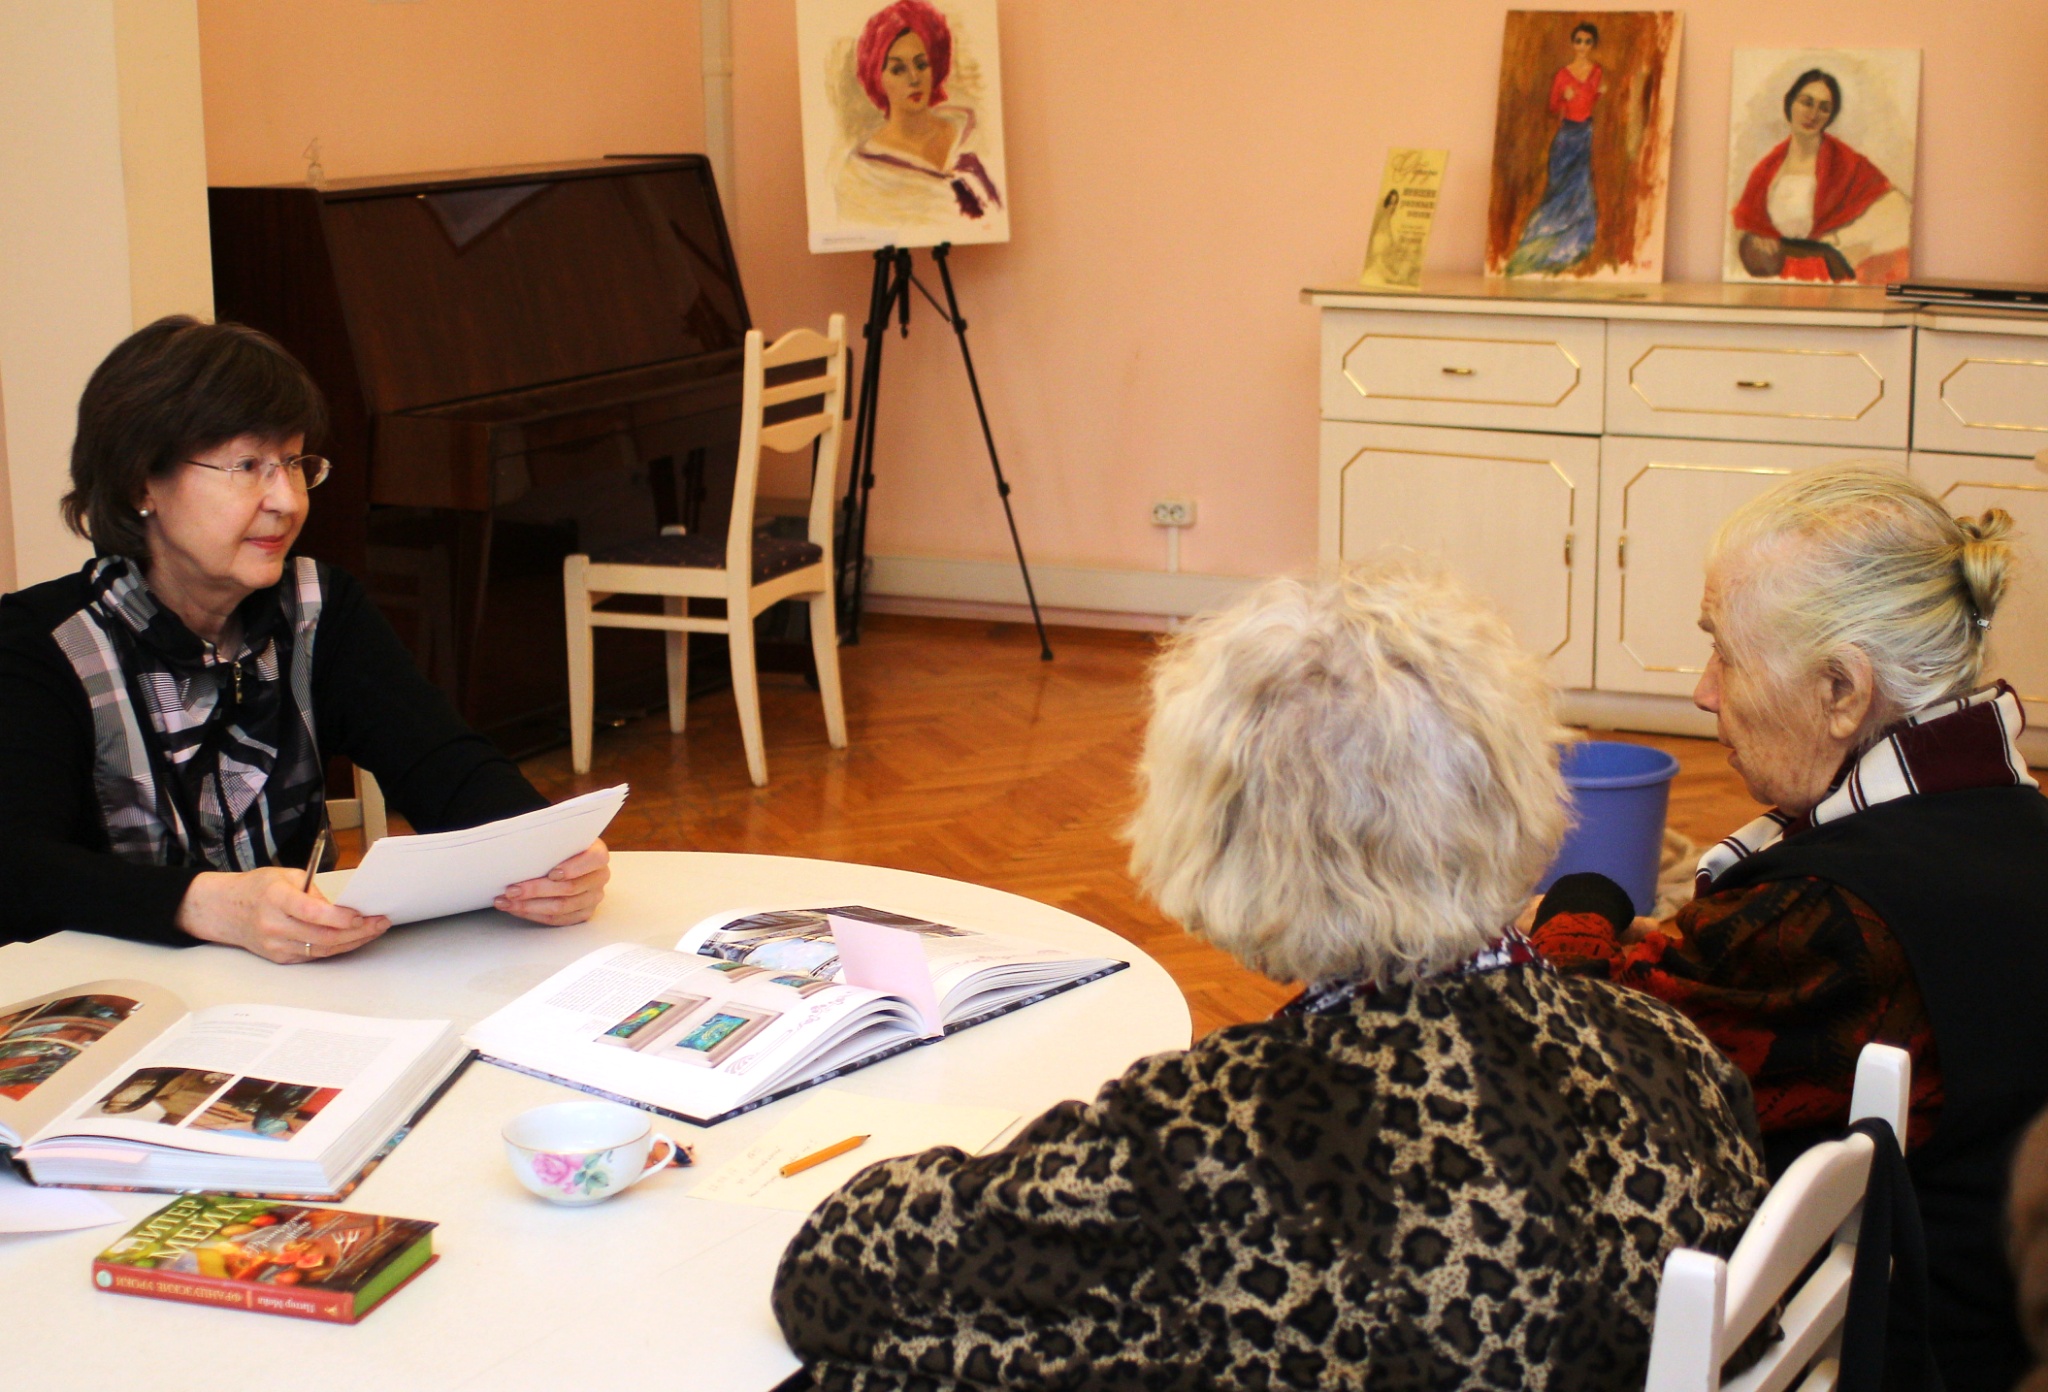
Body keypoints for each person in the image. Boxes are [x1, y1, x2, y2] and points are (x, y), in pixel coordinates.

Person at [772, 563, 1766, 1390]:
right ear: (1517, 788)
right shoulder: (1663, 1048)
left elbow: (833, 1276)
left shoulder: (1209, 1135)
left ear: (1216, 832)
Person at [1529, 463, 2041, 1390]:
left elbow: (1569, 1062)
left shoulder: (1829, 920)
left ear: (1841, 689)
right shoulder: (2010, 816)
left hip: (1907, 1356)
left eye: (1724, 653)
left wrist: (1581, 902)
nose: (1702, 691)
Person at [0, 317, 609, 963]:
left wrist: (544, 851)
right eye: (248, 466)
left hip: (297, 984)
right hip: (112, 994)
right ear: (139, 483)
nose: (287, 501)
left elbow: (444, 767)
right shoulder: (42, 644)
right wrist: (206, 904)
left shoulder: (320, 608)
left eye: (293, 464)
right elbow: (17, 869)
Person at [833, 0, 1003, 231]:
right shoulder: (862, 173)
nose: (914, 78)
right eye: (898, 69)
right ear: (877, 78)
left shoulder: (973, 133)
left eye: (922, 65)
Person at [1731, 69, 1911, 284]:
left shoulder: (1846, 163)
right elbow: (1749, 224)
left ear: (1830, 116)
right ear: (1790, 103)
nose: (1813, 114)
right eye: (1807, 103)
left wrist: (1842, 240)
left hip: (1829, 272)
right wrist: (1757, 242)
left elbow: (1898, 208)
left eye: (1823, 108)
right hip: (1778, 276)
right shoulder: (1767, 168)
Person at [1505, 22, 1602, 276]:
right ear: (1573, 44)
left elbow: (1593, 98)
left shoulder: (1596, 72)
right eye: (1578, 41)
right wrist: (1563, 98)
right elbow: (1552, 105)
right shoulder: (1562, 74)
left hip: (1585, 134)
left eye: (1587, 42)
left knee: (1580, 187)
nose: (1582, 46)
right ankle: (1541, 243)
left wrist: (1599, 93)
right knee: (1558, 188)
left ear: (1593, 45)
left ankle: (1575, 245)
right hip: (1566, 135)